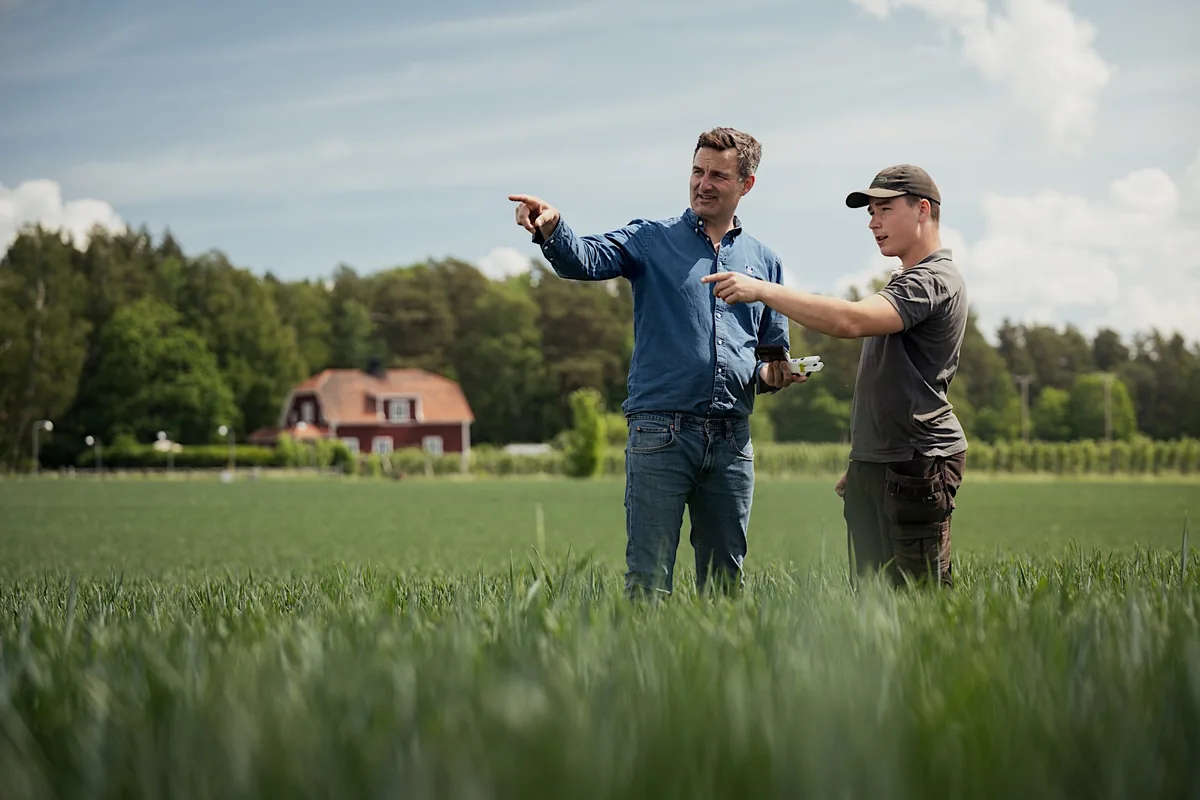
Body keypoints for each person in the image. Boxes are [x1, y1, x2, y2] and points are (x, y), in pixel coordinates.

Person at [508, 127, 806, 599]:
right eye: (697, 171)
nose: (703, 183)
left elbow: (769, 358)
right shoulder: (651, 239)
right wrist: (552, 226)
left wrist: (777, 374)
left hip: (732, 440)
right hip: (660, 433)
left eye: (718, 176)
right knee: (648, 581)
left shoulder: (764, 262)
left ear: (746, 185)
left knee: (726, 585)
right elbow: (582, 259)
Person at [702, 164, 968, 589]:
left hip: (916, 464)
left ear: (922, 209)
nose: (872, 222)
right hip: (880, 462)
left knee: (921, 604)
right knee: (873, 603)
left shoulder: (934, 279)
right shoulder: (905, 279)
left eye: (883, 209)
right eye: (870, 212)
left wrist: (762, 289)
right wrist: (863, 459)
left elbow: (850, 321)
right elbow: (889, 382)